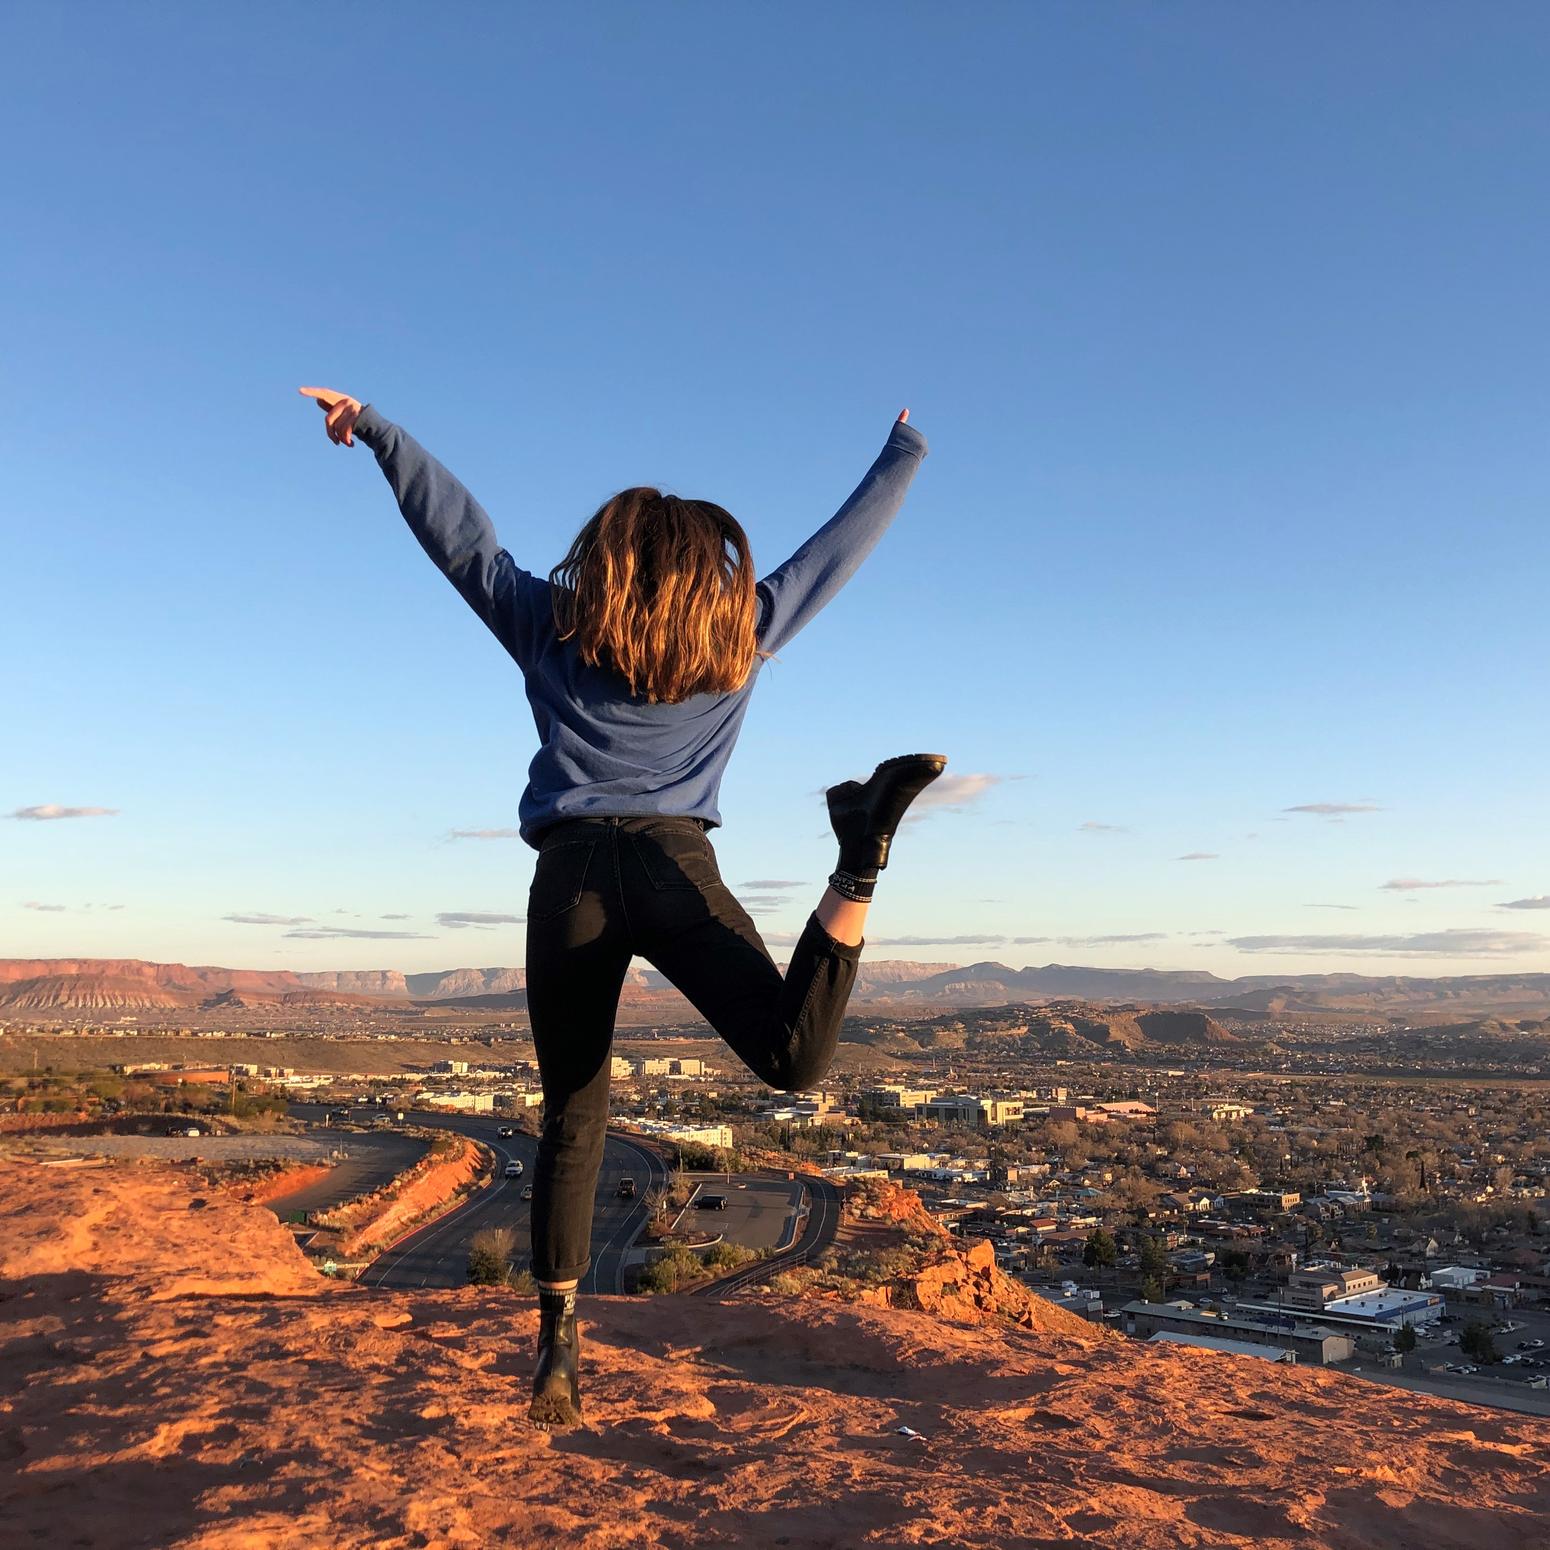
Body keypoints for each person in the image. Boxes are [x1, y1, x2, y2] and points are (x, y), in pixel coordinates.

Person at [300, 384, 945, 1428]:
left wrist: (375, 428)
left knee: (574, 1110)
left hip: (569, 881)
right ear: (705, 565)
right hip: (673, 867)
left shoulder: (547, 623)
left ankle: (556, 1342)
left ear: (602, 555)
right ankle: (858, 861)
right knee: (793, 1057)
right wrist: (903, 450)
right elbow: (836, 549)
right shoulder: (740, 630)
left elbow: (459, 535)